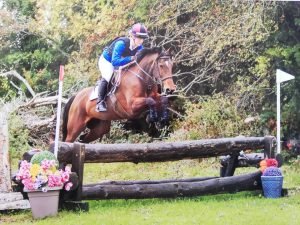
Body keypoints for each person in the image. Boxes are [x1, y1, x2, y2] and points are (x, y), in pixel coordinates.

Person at [96, 23, 149, 112]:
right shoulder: (121, 44)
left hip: (121, 62)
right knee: (108, 76)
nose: (141, 41)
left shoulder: (140, 48)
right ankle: (100, 102)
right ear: (132, 36)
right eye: (139, 37)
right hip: (107, 61)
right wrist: (131, 58)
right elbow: (115, 62)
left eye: (143, 38)